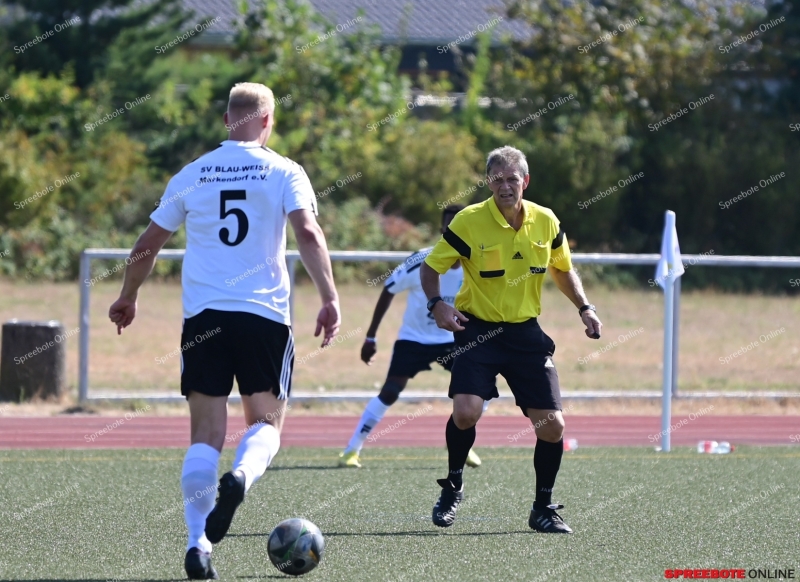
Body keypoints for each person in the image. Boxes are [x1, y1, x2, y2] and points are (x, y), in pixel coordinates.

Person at [108, 82, 340, 579]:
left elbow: (147, 243)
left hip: (204, 319)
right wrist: (330, 297)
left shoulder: (193, 173)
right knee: (266, 426)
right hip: (263, 317)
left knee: (205, 436)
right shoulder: (284, 170)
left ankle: (199, 545)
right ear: (267, 121)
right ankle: (240, 476)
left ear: (226, 120)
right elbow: (307, 233)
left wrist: (128, 295)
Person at [420, 145, 603, 533]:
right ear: (489, 183)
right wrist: (437, 304)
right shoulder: (469, 221)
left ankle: (543, 508)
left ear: (526, 181)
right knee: (466, 411)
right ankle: (452, 485)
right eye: (497, 179)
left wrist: (585, 307)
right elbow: (431, 267)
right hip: (478, 330)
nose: (505, 186)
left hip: (525, 334)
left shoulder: (546, 221)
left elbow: (563, 269)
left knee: (553, 427)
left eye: (512, 179)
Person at [338, 205, 484, 469]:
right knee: (391, 391)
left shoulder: (476, 264)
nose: (454, 232)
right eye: (448, 227)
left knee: (478, 392)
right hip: (414, 339)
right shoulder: (422, 260)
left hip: (454, 339)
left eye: (459, 227)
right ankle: (351, 450)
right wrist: (370, 337)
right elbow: (388, 289)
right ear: (442, 230)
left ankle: (462, 443)